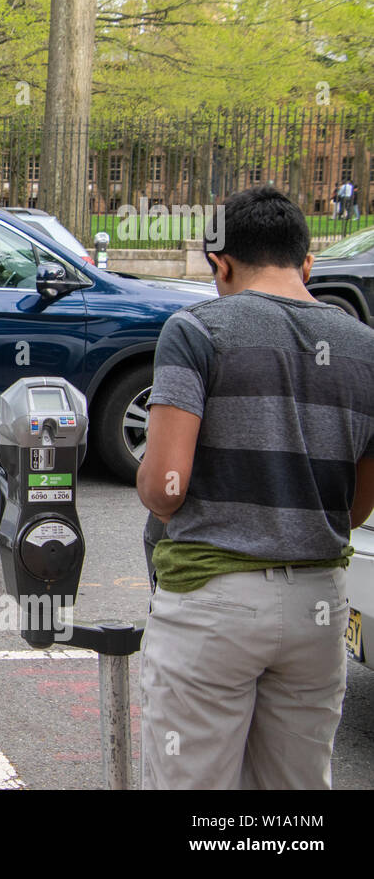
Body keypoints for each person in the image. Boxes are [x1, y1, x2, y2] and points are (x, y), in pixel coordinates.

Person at [136, 185, 374, 789]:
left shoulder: (196, 330)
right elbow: (354, 509)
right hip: (318, 606)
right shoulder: (366, 351)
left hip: (213, 601)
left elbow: (167, 487)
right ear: (308, 263)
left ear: (222, 264)